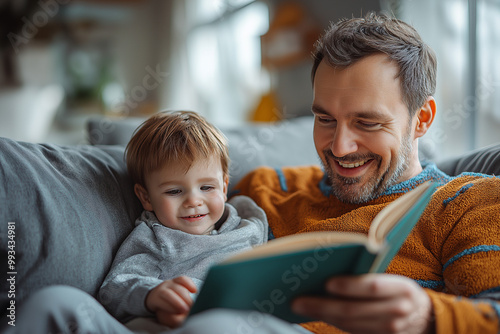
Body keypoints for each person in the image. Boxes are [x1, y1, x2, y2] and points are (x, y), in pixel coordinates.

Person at [9, 12, 500, 334]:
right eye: (324, 119)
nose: (340, 146)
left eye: (368, 123)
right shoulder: (266, 190)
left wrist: (426, 316)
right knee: (53, 307)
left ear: (424, 119)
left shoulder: (468, 202)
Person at [97, 110, 268, 328]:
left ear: (224, 187)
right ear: (146, 197)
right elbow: (114, 289)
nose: (193, 201)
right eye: (175, 191)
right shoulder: (157, 238)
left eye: (207, 187)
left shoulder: (247, 222)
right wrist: (152, 295)